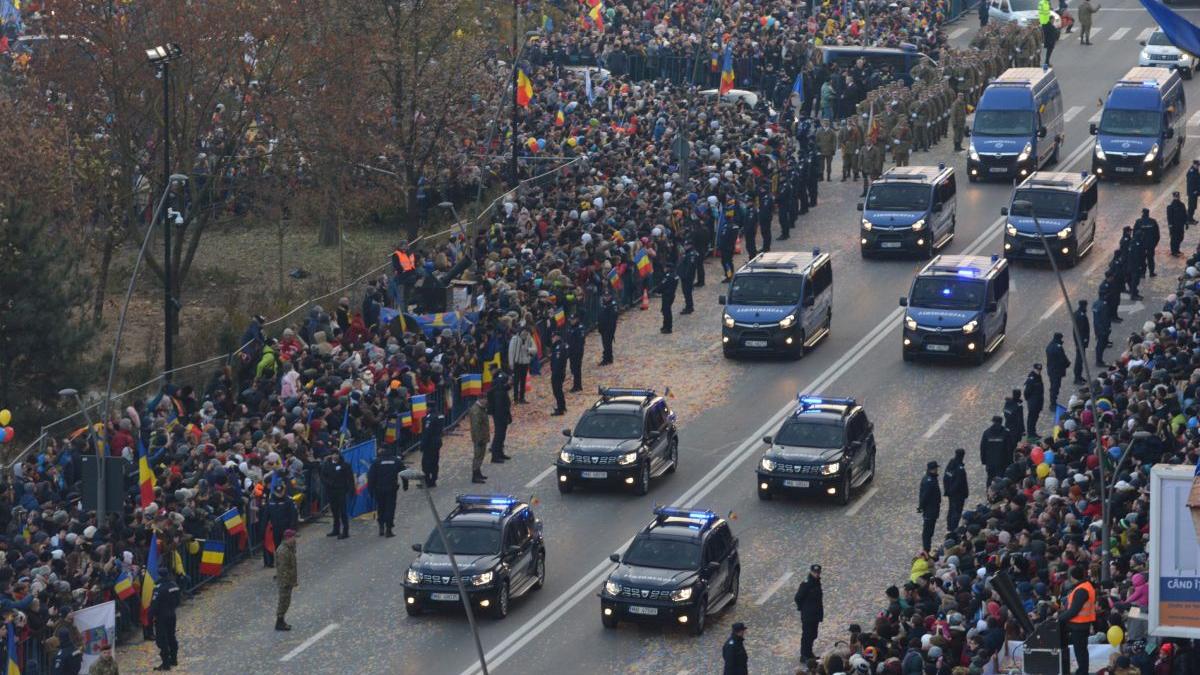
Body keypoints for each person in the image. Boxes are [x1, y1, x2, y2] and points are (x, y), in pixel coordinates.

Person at [1058, 565, 1096, 675]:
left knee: (1080, 652)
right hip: (1081, 624)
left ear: (1072, 577)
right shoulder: (1085, 586)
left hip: (1079, 625)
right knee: (1081, 651)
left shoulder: (1082, 590)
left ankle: (1082, 672)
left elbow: (1074, 610)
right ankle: (1082, 671)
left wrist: (1059, 619)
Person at [367, 446, 403, 536]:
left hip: (379, 489)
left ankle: (381, 526)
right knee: (390, 508)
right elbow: (404, 472)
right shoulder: (396, 461)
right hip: (391, 489)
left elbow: (371, 477)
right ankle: (389, 529)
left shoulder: (376, 462)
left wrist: (370, 490)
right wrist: (405, 485)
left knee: (381, 508)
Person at [151, 567, 181, 670]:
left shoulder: (158, 588)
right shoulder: (174, 585)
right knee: (171, 637)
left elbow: (154, 604)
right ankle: (174, 659)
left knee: (162, 640)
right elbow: (178, 601)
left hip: (161, 617)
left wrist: (150, 616)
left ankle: (166, 664)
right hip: (172, 615)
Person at [320, 450, 354, 539]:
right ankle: (336, 529)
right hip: (331, 491)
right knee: (334, 511)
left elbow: (350, 478)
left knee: (343, 511)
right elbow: (323, 476)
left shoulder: (344, 465)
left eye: (336, 454)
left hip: (341, 490)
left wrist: (350, 489)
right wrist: (328, 483)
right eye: (333, 454)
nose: (335, 456)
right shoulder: (327, 465)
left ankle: (345, 531)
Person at [262, 482, 298, 566]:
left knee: (288, 549)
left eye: (281, 492)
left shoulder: (289, 501)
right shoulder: (270, 502)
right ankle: (280, 569)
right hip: (276, 529)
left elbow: (293, 515)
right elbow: (265, 517)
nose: (280, 494)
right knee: (278, 550)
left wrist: (292, 528)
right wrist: (263, 530)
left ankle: (289, 566)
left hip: (287, 529)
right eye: (278, 492)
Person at [793, 564, 824, 660]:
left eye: (818, 573)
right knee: (807, 635)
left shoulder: (817, 583)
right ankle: (804, 655)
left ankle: (809, 653)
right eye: (815, 572)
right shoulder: (806, 584)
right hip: (808, 615)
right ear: (811, 572)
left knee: (813, 634)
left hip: (815, 614)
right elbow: (798, 598)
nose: (816, 574)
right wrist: (803, 608)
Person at [275, 529, 299, 631]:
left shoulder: (288, 548)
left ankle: (282, 620)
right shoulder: (283, 551)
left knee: (286, 600)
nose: (295, 540)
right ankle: (279, 621)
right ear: (288, 538)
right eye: (293, 537)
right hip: (285, 581)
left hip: (288, 579)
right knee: (283, 601)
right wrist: (286, 582)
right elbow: (283, 568)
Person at [487, 370, 513, 462]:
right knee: (499, 434)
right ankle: (495, 455)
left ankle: (500, 453)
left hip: (502, 414)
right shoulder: (498, 392)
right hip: (499, 415)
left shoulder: (500, 389)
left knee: (502, 434)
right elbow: (500, 406)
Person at [508, 325, 536, 404]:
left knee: (523, 381)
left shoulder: (529, 339)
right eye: (524, 333)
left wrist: (528, 350)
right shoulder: (514, 339)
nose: (525, 335)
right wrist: (511, 363)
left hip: (525, 363)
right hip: (517, 363)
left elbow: (534, 349)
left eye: (527, 333)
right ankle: (516, 399)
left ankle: (522, 398)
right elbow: (511, 352)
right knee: (516, 382)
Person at [942, 448, 969, 532]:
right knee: (956, 512)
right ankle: (954, 529)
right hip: (958, 494)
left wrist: (947, 490)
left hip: (950, 493)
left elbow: (945, 478)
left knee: (951, 510)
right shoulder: (960, 469)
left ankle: (949, 527)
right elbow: (959, 482)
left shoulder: (950, 464)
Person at [980, 415, 1011, 486]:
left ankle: (989, 493)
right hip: (1002, 462)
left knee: (990, 478)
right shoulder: (1006, 432)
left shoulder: (986, 432)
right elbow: (1009, 448)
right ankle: (999, 494)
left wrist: (983, 460)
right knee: (1001, 479)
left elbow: (982, 448)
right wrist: (1009, 462)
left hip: (990, 462)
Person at [917, 460, 941, 552]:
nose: (937, 470)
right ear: (932, 469)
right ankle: (926, 550)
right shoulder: (929, 481)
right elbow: (924, 496)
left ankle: (927, 548)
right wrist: (921, 506)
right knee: (927, 532)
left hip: (932, 509)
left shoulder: (930, 478)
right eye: (935, 469)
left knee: (929, 531)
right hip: (930, 510)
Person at [1045, 333, 1070, 412]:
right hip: (1057, 371)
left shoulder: (1049, 346)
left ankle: (1053, 402)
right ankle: (1053, 403)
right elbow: (1062, 359)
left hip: (1051, 370)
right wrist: (1067, 363)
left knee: (1053, 386)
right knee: (1055, 387)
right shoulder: (1058, 348)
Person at [419, 413, 444, 488]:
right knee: (435, 462)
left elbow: (427, 433)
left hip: (429, 444)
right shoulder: (440, 416)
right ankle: (433, 480)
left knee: (426, 463)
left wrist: (422, 444)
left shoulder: (429, 418)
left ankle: (427, 481)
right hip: (437, 442)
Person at [1135, 207, 1160, 277]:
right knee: (1151, 259)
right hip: (1150, 244)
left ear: (1142, 213)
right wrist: (1154, 244)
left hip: (1141, 245)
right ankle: (1151, 272)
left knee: (1141, 259)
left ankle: (1142, 273)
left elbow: (1134, 235)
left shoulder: (1138, 222)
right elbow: (1157, 234)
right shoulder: (1153, 221)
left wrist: (1137, 243)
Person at [469, 397, 489, 484]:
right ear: (480, 399)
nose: (486, 401)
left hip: (482, 436)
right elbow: (476, 426)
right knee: (478, 455)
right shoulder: (476, 411)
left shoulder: (481, 408)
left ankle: (478, 472)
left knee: (481, 455)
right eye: (484, 399)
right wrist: (479, 438)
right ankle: (475, 475)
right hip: (479, 437)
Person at [565, 313, 586, 392]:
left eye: (573, 319)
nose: (571, 321)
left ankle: (577, 385)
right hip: (571, 351)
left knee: (577, 369)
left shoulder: (579, 328)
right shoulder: (570, 328)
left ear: (576, 319)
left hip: (577, 352)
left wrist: (577, 352)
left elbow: (580, 342)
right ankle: (576, 385)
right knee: (573, 368)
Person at [1023, 364, 1045, 440]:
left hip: (1038, 402)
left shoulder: (1038, 377)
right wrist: (1030, 401)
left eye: (1040, 370)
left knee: (1034, 418)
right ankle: (1031, 434)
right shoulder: (1031, 379)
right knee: (1031, 419)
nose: (1038, 371)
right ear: (1034, 369)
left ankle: (1033, 433)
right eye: (1037, 370)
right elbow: (1026, 393)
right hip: (1033, 403)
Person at [597, 289, 618, 365]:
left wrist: (611, 329)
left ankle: (607, 358)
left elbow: (613, 318)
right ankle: (609, 357)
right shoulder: (603, 304)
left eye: (607, 296)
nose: (606, 297)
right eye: (605, 296)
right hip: (603, 327)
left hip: (609, 328)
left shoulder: (612, 305)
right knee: (606, 343)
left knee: (607, 343)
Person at [677, 241, 699, 315]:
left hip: (687, 277)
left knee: (687, 293)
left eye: (686, 245)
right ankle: (689, 306)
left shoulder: (691, 254)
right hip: (685, 276)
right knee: (686, 292)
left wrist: (685, 276)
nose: (685, 246)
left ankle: (689, 307)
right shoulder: (688, 253)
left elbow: (690, 268)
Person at [549, 332, 568, 416]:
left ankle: (560, 409)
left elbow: (557, 362)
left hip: (557, 372)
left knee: (557, 391)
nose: (552, 339)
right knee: (559, 390)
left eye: (553, 337)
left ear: (557, 337)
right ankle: (562, 406)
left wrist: (554, 372)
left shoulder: (558, 348)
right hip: (560, 372)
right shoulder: (560, 346)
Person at [1072, 300, 1090, 384]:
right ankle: (1077, 378)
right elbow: (1082, 330)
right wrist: (1084, 341)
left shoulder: (1076, 313)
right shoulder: (1081, 315)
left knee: (1080, 359)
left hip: (1079, 341)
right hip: (1081, 341)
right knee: (1079, 360)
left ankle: (1078, 376)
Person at [1092, 293, 1112, 366]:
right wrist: (1107, 329)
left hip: (1097, 328)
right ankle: (1099, 361)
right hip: (1103, 329)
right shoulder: (1104, 305)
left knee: (1100, 344)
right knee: (1101, 345)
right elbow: (1105, 318)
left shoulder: (1095, 303)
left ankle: (1099, 360)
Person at [660, 262, 678, 334]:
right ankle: (665, 326)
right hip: (671, 295)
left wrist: (658, 290)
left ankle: (668, 327)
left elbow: (662, 285)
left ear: (668, 268)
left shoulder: (668, 276)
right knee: (666, 311)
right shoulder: (675, 275)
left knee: (666, 312)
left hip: (667, 295)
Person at [1168, 191, 1188, 256]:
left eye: (1178, 196)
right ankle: (1174, 251)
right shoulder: (1170, 206)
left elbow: (1185, 214)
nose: (1177, 198)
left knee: (1180, 237)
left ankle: (1177, 249)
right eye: (1175, 196)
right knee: (1174, 239)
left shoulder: (1182, 205)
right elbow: (1169, 218)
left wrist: (1186, 223)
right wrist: (1170, 227)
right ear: (1173, 197)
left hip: (1180, 225)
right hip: (1174, 226)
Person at [1189, 160, 1200, 224]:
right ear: (1194, 164)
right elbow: (1191, 183)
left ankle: (1191, 218)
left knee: (1194, 206)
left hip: (1195, 192)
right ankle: (1189, 219)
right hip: (1192, 193)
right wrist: (1194, 191)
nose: (1198, 167)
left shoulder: (1195, 170)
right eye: (1197, 165)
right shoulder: (1191, 172)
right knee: (1191, 206)